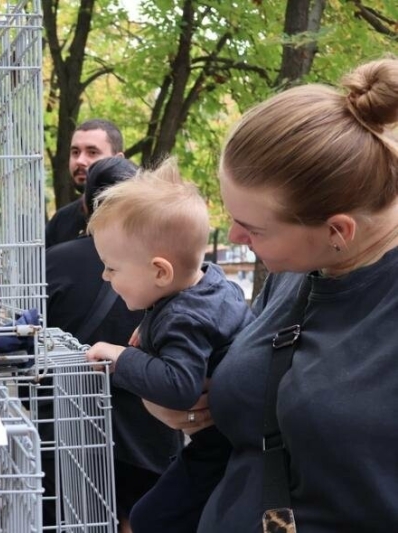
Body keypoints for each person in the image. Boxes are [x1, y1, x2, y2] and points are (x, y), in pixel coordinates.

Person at [141, 58, 398, 532]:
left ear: (338, 230)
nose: (236, 236)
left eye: (254, 228)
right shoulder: (299, 267)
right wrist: (191, 400)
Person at [84, 159, 254, 532]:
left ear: (160, 271)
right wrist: (148, 328)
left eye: (112, 268)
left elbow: (179, 386)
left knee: (151, 517)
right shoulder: (209, 282)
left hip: (219, 445)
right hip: (230, 435)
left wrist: (122, 357)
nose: (104, 275)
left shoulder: (184, 319)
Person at [44, 157, 183, 533]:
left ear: (86, 208)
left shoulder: (53, 263)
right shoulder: (172, 264)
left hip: (70, 433)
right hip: (150, 434)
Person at [45, 119, 125, 248]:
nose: (80, 161)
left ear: (118, 159)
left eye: (92, 152)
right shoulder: (61, 220)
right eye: (75, 152)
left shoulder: (142, 216)